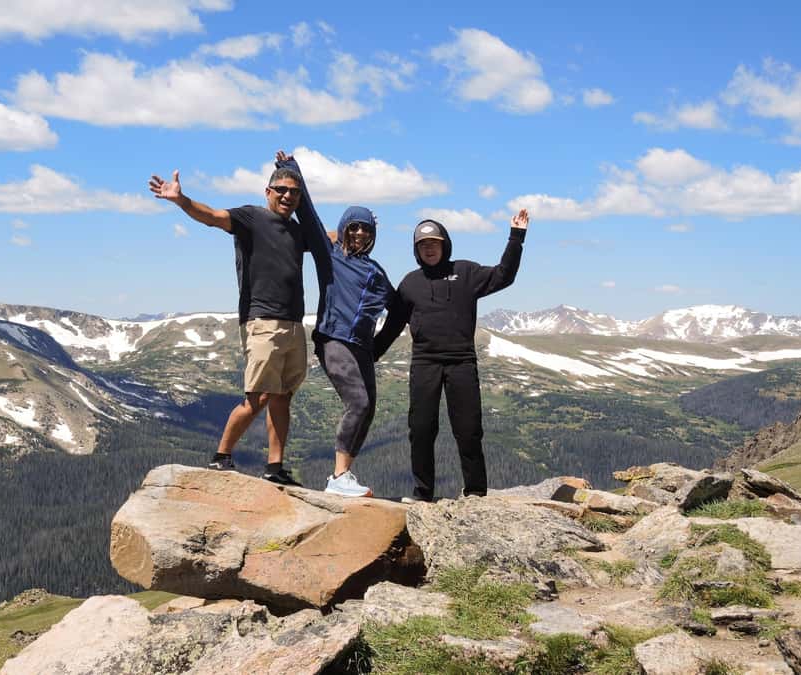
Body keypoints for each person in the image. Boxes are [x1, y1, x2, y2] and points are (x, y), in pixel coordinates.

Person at [148, 163, 329, 486]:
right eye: (282, 190)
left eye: (295, 192)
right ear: (268, 192)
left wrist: (355, 229)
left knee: (283, 397)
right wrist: (181, 200)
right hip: (262, 321)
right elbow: (213, 217)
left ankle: (275, 467)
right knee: (258, 396)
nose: (288, 196)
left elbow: (326, 237)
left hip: (293, 324)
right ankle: (221, 457)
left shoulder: (298, 231)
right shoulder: (252, 218)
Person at [373, 211, 529, 502]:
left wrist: (516, 237)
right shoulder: (410, 284)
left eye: (435, 243)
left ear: (445, 245)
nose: (429, 248)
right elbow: (392, 326)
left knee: (469, 430)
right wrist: (370, 354)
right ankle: (423, 494)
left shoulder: (466, 273)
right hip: (425, 363)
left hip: (461, 362)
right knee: (420, 430)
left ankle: (475, 493)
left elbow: (503, 275)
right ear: (416, 250)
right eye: (423, 245)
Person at [275, 151, 395, 498]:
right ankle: (338, 476)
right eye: (352, 227)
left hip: (361, 347)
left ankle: (346, 474)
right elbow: (307, 212)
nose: (358, 233)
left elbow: (399, 310)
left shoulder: (377, 273)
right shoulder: (331, 257)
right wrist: (290, 168)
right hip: (333, 339)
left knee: (368, 406)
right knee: (357, 402)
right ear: (343, 230)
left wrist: (380, 345)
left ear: (372, 235)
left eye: (364, 229)